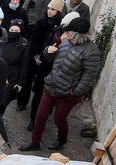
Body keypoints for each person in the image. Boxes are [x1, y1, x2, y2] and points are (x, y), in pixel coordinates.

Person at [21, 15, 101, 151]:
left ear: (77, 34)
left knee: (59, 118)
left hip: (68, 93)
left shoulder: (92, 51)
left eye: (69, 31)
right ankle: (35, 142)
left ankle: (62, 139)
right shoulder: (65, 42)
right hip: (51, 85)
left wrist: (75, 92)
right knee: (40, 116)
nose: (65, 33)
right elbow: (50, 60)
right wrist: (48, 51)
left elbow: (89, 75)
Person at [25, 0, 64, 130]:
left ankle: (40, 118)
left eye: (53, 9)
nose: (49, 11)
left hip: (49, 63)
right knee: (36, 91)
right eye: (48, 8)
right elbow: (34, 41)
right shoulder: (41, 23)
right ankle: (32, 118)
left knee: (45, 94)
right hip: (38, 58)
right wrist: (36, 56)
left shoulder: (60, 27)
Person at [0, 16, 32, 112]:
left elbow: (24, 64)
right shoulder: (2, 40)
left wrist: (20, 82)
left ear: (21, 31)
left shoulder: (24, 44)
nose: (13, 32)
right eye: (12, 29)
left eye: (16, 30)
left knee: (3, 103)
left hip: (12, 77)